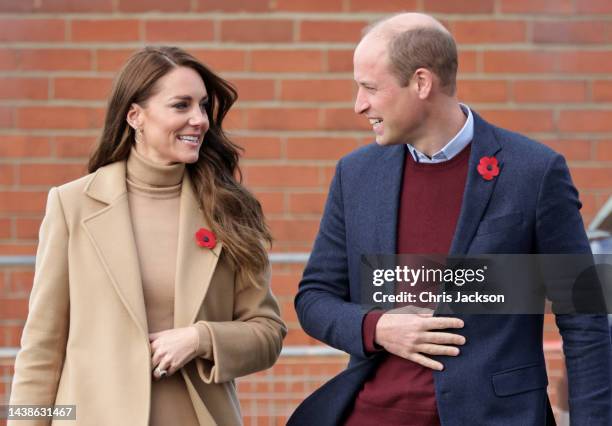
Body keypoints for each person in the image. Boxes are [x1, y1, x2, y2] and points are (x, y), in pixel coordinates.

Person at [288, 13, 611, 426]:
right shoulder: (356, 175)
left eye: (370, 88)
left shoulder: (534, 172)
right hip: (374, 414)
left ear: (421, 83)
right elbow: (315, 297)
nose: (359, 105)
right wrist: (377, 327)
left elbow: (583, 318)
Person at [9, 46, 286, 426]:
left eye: (203, 106)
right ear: (135, 115)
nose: (199, 120)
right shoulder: (71, 205)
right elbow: (41, 347)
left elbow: (268, 333)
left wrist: (201, 338)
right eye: (181, 105)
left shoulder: (230, 210)